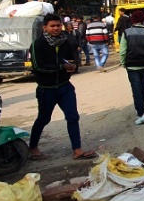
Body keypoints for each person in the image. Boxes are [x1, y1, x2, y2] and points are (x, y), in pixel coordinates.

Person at [28, 13, 97, 161]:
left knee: (73, 117)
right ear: (44, 27)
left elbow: (72, 58)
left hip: (65, 87)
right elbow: (38, 67)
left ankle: (77, 150)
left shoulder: (65, 41)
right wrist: (61, 66)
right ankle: (33, 147)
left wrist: (72, 65)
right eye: (52, 26)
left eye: (58, 25)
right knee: (43, 118)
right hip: (46, 89)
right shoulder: (37, 44)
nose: (56, 28)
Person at [120, 10, 144, 125]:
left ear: (133, 20)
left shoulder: (126, 33)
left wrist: (123, 62)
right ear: (143, 20)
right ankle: (142, 109)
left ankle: (141, 114)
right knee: (142, 87)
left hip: (132, 66)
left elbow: (122, 51)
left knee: (136, 89)